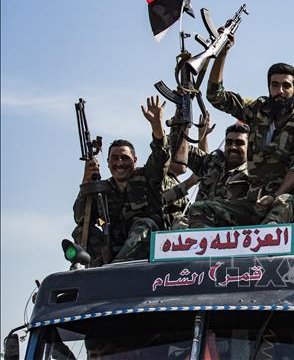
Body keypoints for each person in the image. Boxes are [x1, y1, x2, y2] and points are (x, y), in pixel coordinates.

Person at [197, 34, 294, 227]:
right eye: (275, 85)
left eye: (286, 86)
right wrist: (222, 53)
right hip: (254, 200)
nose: (280, 91)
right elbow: (216, 96)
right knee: (201, 209)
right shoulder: (258, 108)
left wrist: (275, 196)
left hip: (289, 200)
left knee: (272, 222)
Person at [72, 96, 169, 266]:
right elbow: (81, 217)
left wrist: (157, 126)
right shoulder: (103, 189)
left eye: (125, 158)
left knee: (144, 224)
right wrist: (86, 183)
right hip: (114, 247)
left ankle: (115, 268)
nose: (120, 163)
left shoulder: (147, 177)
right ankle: (96, 269)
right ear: (108, 162)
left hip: (150, 245)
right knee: (80, 231)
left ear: (135, 161)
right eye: (115, 158)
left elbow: (160, 156)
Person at [183, 123, 252, 229]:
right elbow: (180, 149)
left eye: (239, 143)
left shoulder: (254, 174)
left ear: (249, 147)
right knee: (179, 223)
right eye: (229, 142)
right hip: (202, 224)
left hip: (235, 230)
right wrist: (182, 125)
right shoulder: (211, 164)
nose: (233, 147)